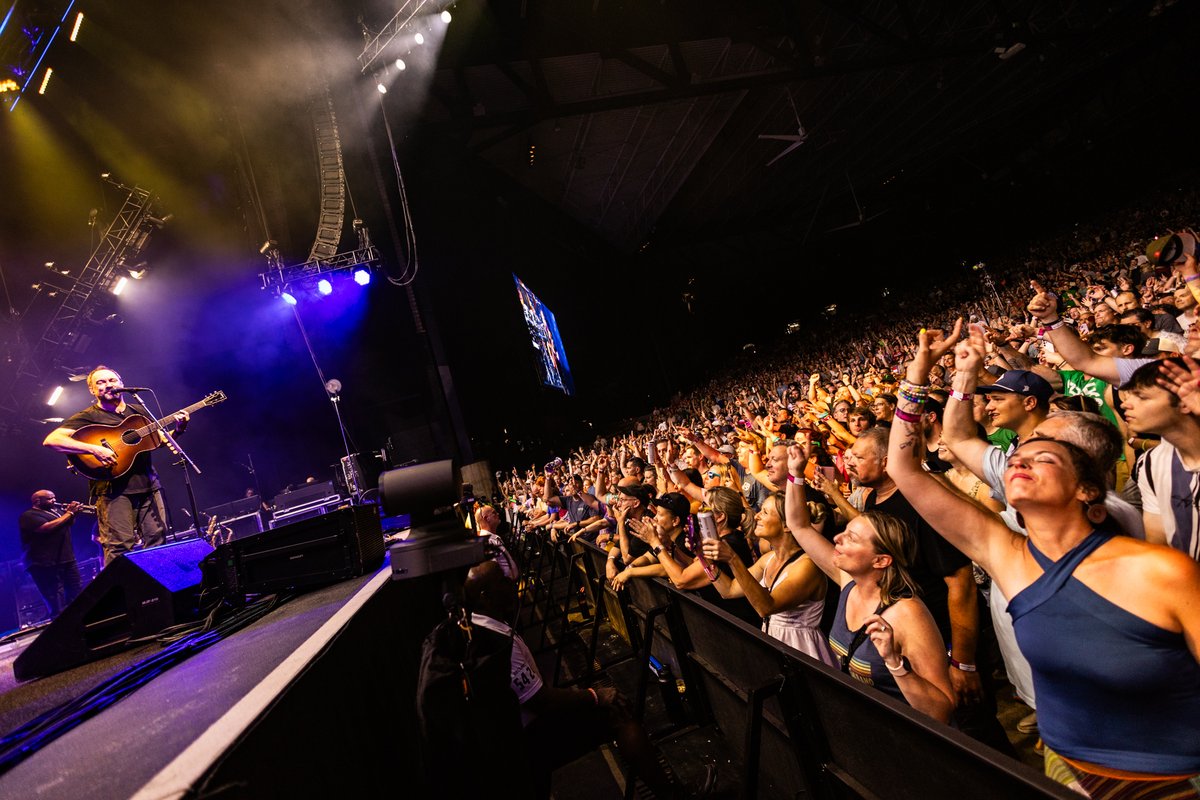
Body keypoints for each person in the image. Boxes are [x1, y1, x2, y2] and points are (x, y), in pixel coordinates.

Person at [889, 325, 1200, 794]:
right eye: (1019, 456)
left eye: (1044, 457)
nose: (1018, 461)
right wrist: (920, 372)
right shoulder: (1011, 557)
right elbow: (903, 468)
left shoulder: (1159, 570)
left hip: (1169, 776)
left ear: (1088, 489)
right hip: (1067, 767)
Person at [463, 561, 710, 799]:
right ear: (486, 596)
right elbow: (540, 700)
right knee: (617, 713)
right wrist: (594, 695)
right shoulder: (492, 642)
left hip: (517, 734)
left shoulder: (482, 625)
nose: (510, 582)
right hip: (526, 740)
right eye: (502, 580)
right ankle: (672, 795)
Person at [782, 455, 956, 722]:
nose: (837, 538)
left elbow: (942, 709)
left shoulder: (907, 613)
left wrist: (896, 664)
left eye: (851, 538)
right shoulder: (849, 584)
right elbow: (799, 526)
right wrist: (795, 473)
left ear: (881, 560)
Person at [42, 366, 188, 565]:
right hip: (112, 490)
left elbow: (158, 440)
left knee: (157, 539)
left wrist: (178, 430)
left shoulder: (138, 411)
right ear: (92, 390)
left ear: (121, 383)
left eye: (112, 380)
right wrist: (94, 449)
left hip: (148, 485)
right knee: (120, 546)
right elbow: (52, 440)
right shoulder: (88, 416)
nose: (108, 385)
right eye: (100, 382)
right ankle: (123, 585)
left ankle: (158, 582)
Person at [703, 489, 835, 665]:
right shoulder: (768, 559)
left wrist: (733, 559)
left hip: (802, 652)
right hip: (776, 644)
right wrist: (702, 558)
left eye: (764, 512)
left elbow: (766, 607)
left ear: (787, 525)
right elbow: (728, 590)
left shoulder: (807, 566)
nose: (756, 516)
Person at [18, 490, 84, 618]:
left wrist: (73, 514)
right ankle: (62, 625)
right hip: (44, 563)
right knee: (55, 598)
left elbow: (68, 523)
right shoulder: (28, 516)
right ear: (37, 501)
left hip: (67, 559)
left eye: (54, 497)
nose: (54, 500)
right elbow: (46, 528)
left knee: (76, 590)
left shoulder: (55, 511)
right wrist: (69, 513)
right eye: (50, 499)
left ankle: (79, 618)